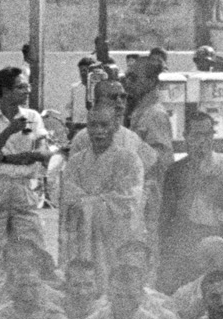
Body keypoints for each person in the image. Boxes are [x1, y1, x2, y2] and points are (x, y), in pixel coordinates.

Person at [0, 67, 51, 266]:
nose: (27, 91)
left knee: (31, 239)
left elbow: (42, 154)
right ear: (5, 91)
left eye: (27, 86)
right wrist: (8, 132)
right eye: (21, 87)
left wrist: (5, 158)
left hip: (23, 186)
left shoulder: (33, 117)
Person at [59, 102, 145, 280]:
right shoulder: (75, 162)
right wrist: (96, 201)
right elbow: (69, 197)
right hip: (83, 239)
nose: (99, 131)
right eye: (93, 125)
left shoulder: (129, 160)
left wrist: (89, 202)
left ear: (115, 126)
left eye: (104, 125)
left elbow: (128, 198)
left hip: (115, 236)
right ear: (87, 127)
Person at [159, 110, 223, 291]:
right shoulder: (176, 171)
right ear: (186, 137)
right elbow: (166, 215)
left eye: (208, 134)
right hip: (187, 241)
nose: (203, 140)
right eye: (197, 135)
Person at [123, 58, 175, 240]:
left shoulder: (154, 115)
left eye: (134, 78)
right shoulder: (139, 112)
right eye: (127, 78)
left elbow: (160, 159)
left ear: (151, 82)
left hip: (150, 198)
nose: (127, 83)